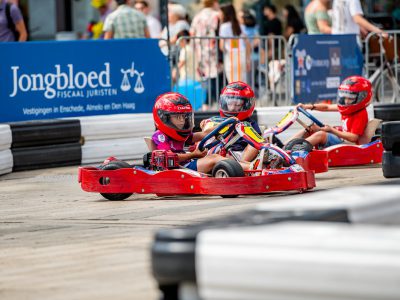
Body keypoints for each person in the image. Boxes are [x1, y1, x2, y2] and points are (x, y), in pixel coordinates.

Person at [152, 92, 231, 173]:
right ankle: (244, 169)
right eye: (177, 117)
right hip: (178, 169)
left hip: (187, 164)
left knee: (224, 155)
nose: (182, 120)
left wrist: (225, 124)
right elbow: (167, 157)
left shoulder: (180, 134)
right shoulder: (159, 136)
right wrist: (193, 154)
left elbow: (203, 134)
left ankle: (241, 167)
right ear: (164, 118)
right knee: (214, 159)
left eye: (183, 116)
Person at [292, 76, 372, 148]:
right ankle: (285, 146)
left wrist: (332, 130)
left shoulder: (360, 114)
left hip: (351, 145)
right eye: (345, 97)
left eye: (350, 98)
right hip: (343, 139)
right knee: (312, 127)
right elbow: (327, 107)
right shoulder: (348, 107)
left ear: (362, 97)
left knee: (321, 135)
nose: (346, 101)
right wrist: (307, 107)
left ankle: (294, 150)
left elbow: (353, 137)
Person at [190, 0, 221, 110]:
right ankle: (209, 103)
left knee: (207, 76)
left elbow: (191, 33)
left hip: (200, 50)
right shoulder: (216, 15)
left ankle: (207, 103)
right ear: (214, 3)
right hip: (213, 49)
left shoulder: (197, 16)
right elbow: (218, 31)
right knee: (214, 76)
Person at [219, 3, 251, 83]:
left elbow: (221, 46)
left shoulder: (224, 27)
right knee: (242, 83)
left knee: (232, 83)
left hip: (231, 56)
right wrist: (248, 59)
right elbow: (247, 43)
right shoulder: (241, 26)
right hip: (242, 55)